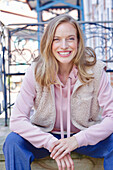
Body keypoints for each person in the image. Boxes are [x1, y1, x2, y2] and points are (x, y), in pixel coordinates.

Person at [3, 14, 113, 170]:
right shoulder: (35, 72)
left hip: (83, 136)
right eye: (57, 39)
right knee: (13, 142)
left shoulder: (95, 71)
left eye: (70, 39)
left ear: (78, 42)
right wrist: (51, 143)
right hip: (46, 135)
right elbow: (17, 120)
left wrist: (76, 140)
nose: (64, 46)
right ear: (49, 43)